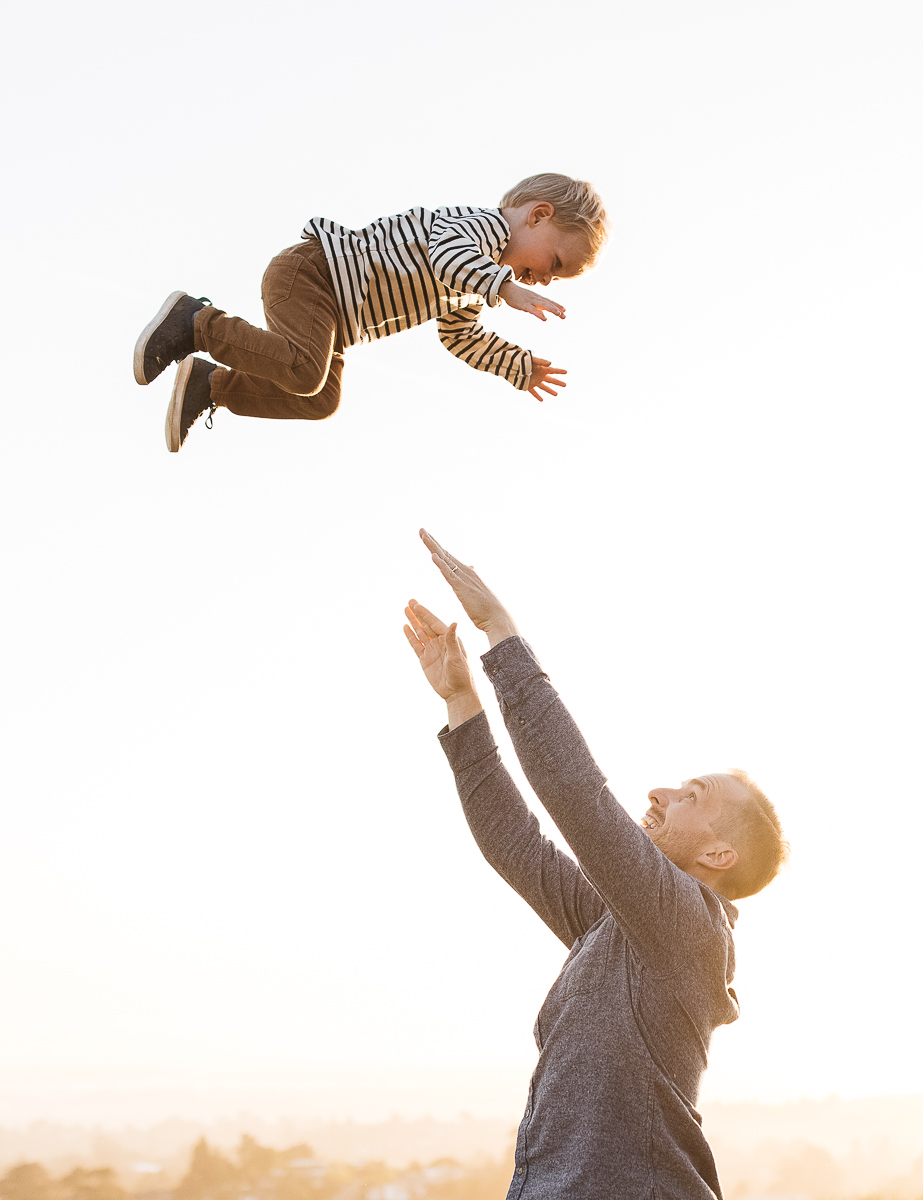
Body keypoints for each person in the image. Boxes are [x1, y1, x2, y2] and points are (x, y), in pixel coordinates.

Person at [402, 529, 788, 1200]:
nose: (658, 793)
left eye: (690, 796)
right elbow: (514, 843)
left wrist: (500, 633)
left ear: (718, 855)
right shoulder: (618, 924)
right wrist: (460, 701)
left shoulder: (687, 928)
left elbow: (575, 795)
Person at [132, 174, 609, 451]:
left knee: (318, 398)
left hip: (334, 317)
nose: (545, 280)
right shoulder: (483, 229)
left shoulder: (475, 283)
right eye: (556, 264)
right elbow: (447, 254)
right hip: (314, 275)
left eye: (556, 280)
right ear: (539, 215)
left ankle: (208, 384)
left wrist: (516, 366)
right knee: (303, 372)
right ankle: (194, 322)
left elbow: (460, 338)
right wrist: (505, 288)